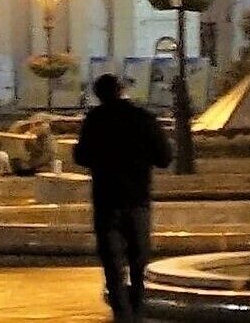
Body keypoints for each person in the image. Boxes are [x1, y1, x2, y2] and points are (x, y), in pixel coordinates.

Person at [73, 72, 171, 318]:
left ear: (98, 95)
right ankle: (137, 305)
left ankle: (121, 311)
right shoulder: (142, 118)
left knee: (112, 262)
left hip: (106, 199)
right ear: (122, 90)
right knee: (139, 258)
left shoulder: (94, 120)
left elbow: (81, 156)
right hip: (137, 197)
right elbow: (164, 158)